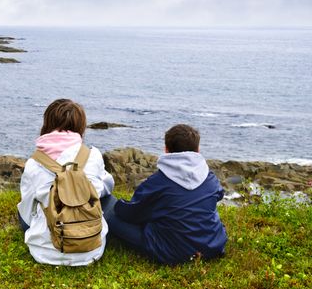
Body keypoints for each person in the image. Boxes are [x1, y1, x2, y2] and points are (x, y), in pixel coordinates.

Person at [103, 124, 227, 265]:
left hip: (172, 252)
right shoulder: (210, 178)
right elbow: (219, 194)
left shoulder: (158, 182)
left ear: (166, 150)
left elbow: (131, 214)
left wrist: (119, 206)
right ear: (197, 150)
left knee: (109, 209)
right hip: (212, 246)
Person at [17, 99, 114, 266]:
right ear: (81, 126)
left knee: (22, 210)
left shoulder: (35, 163)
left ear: (47, 123)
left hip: (45, 252)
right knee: (106, 198)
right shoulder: (93, 155)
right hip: (92, 249)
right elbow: (106, 186)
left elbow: (27, 211)